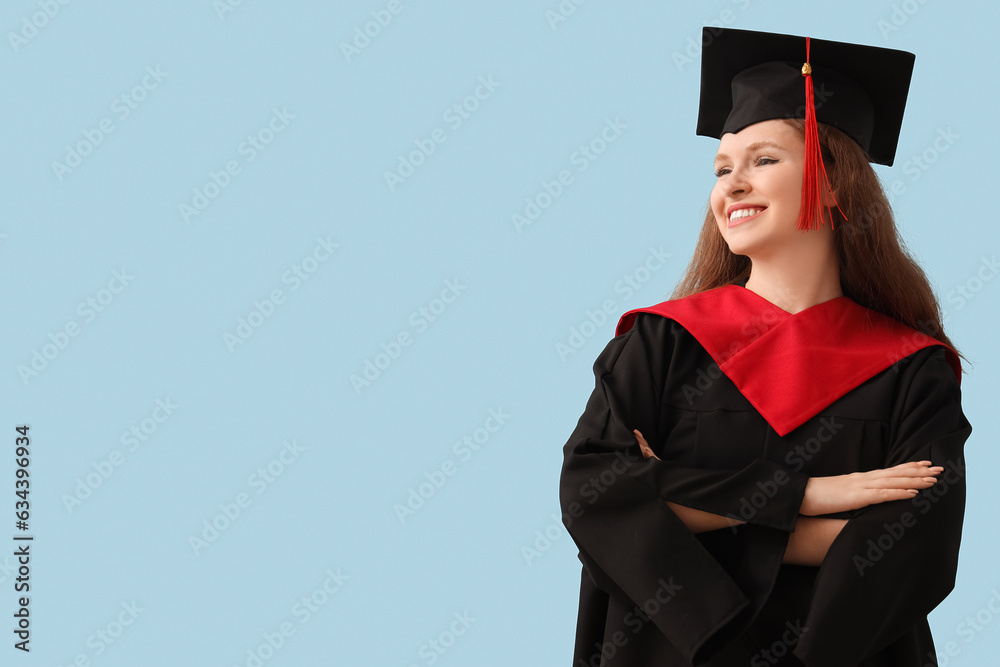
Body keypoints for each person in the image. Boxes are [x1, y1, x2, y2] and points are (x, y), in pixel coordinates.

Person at [559, 28, 972, 666]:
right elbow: (597, 497)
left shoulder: (912, 368)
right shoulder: (662, 342)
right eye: (723, 168)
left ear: (835, 182)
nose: (732, 185)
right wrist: (809, 497)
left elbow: (918, 547)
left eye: (764, 160)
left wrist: (684, 502)